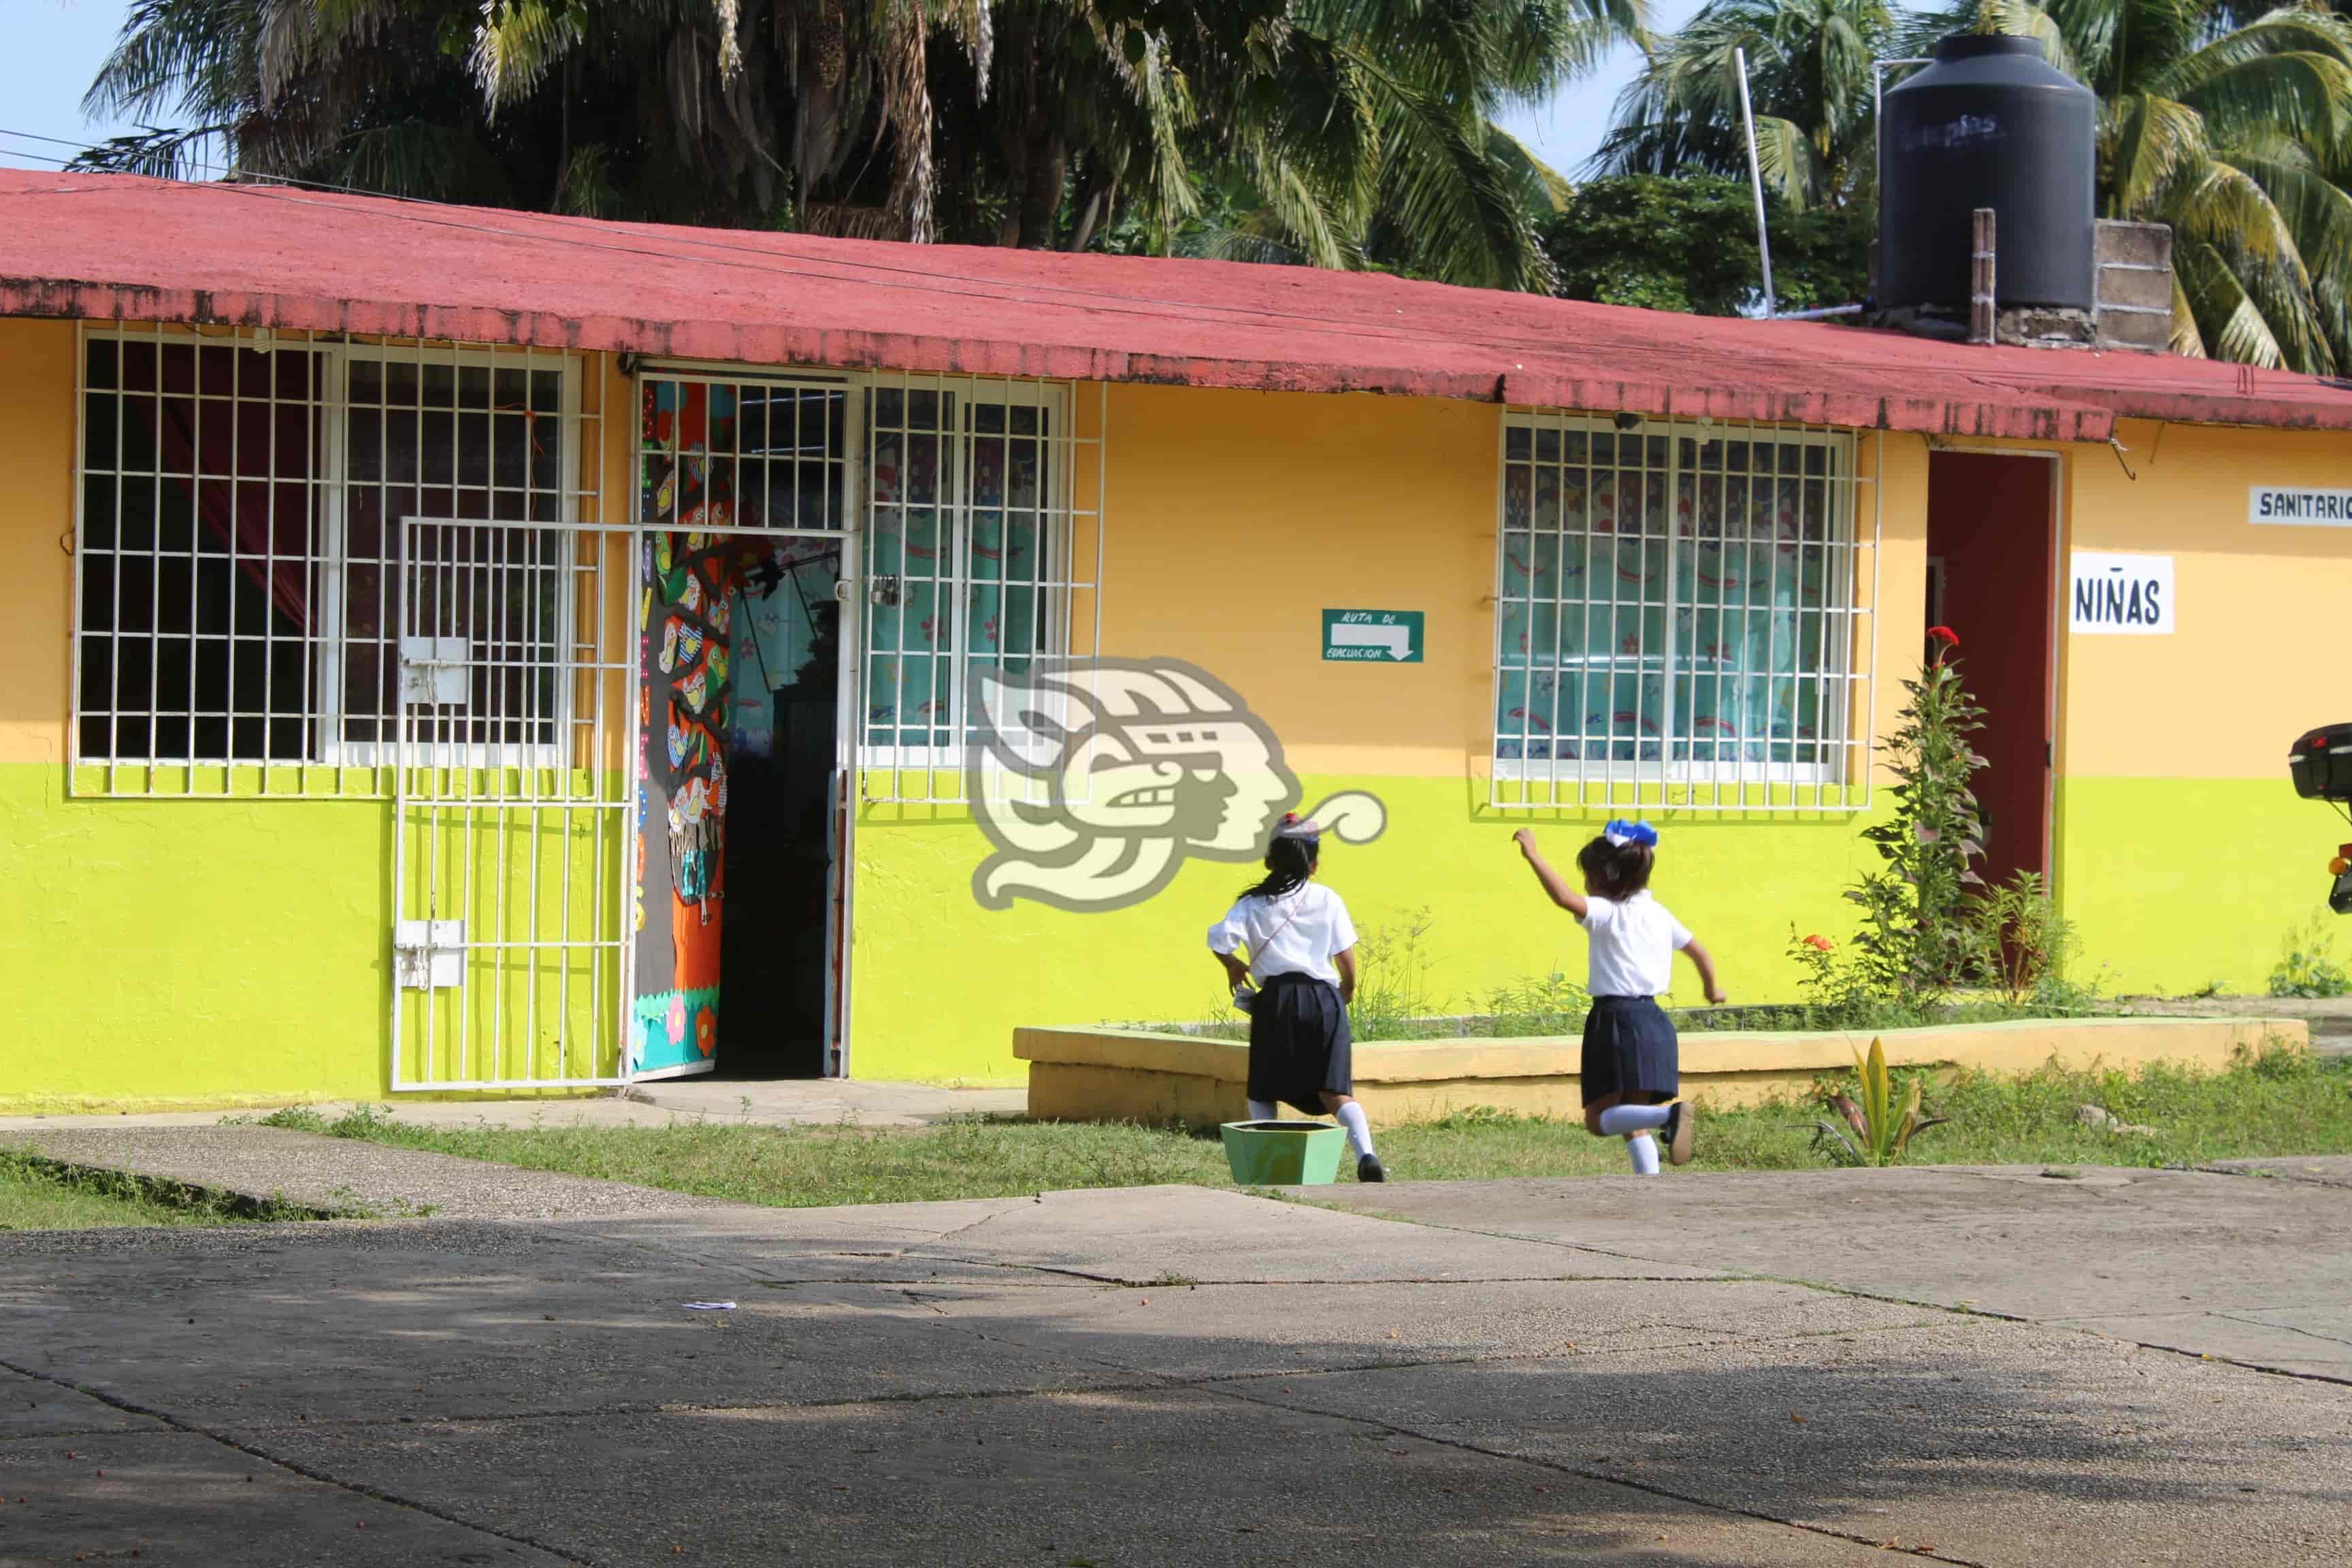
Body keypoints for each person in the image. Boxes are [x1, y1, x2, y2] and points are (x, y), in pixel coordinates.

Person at [1511, 820, 1725, 1175]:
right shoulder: (1659, 914)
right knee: (1631, 1119)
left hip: (1616, 1021)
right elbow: (1699, 952)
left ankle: (1668, 1116)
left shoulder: (1607, 913)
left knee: (1599, 1120)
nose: (1584, 884)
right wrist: (1712, 988)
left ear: (1605, 876)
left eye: (1588, 875)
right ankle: (1650, 1183)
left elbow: (1564, 898)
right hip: (1655, 1022)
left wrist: (1533, 854)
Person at [1208, 813, 1384, 1183]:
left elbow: (1218, 940)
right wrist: (1345, 993)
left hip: (1275, 1001)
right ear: (1315, 864)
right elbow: (1346, 960)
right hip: (1324, 998)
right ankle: (1366, 1155)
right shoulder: (1327, 899)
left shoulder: (1251, 905)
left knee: (1264, 1086)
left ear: (1269, 861)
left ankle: (1263, 1163)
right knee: (1335, 1090)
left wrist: (1233, 966)